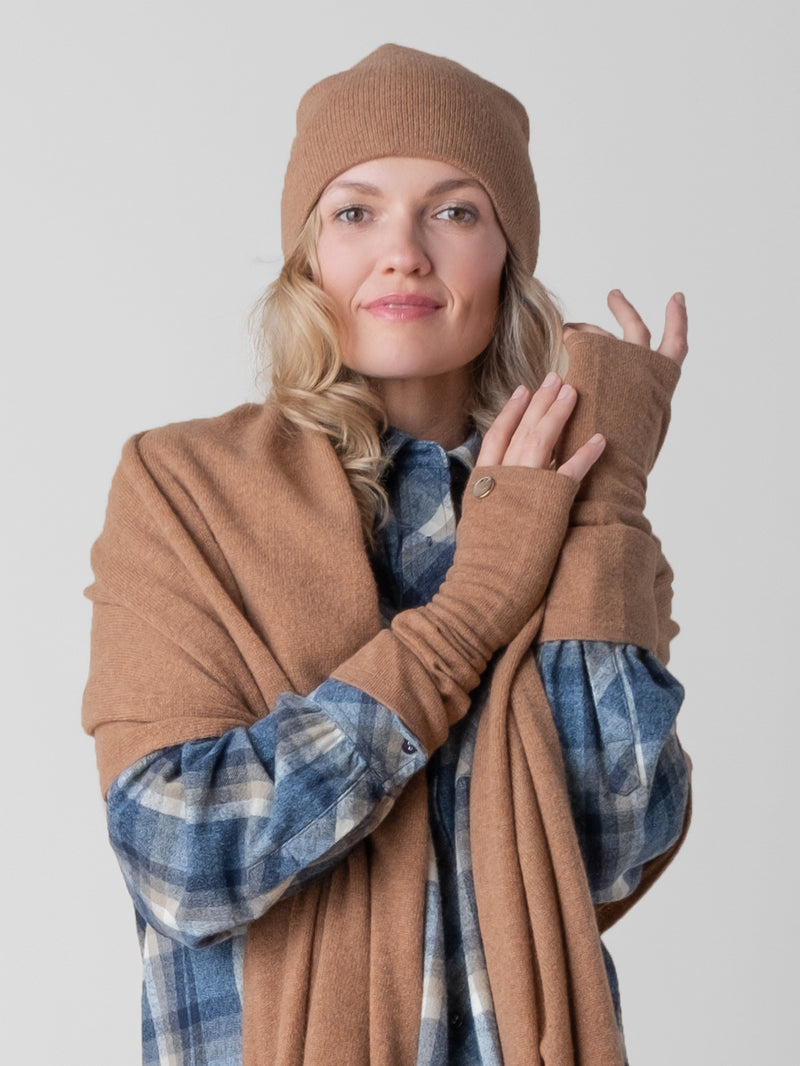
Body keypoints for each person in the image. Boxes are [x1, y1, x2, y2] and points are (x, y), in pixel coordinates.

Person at [82, 43, 691, 1066]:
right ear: (305, 255)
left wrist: (604, 499)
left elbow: (606, 851)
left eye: (453, 210)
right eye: (354, 211)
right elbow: (179, 855)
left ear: (506, 254)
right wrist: (469, 614)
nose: (402, 252)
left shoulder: (573, 517)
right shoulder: (183, 488)